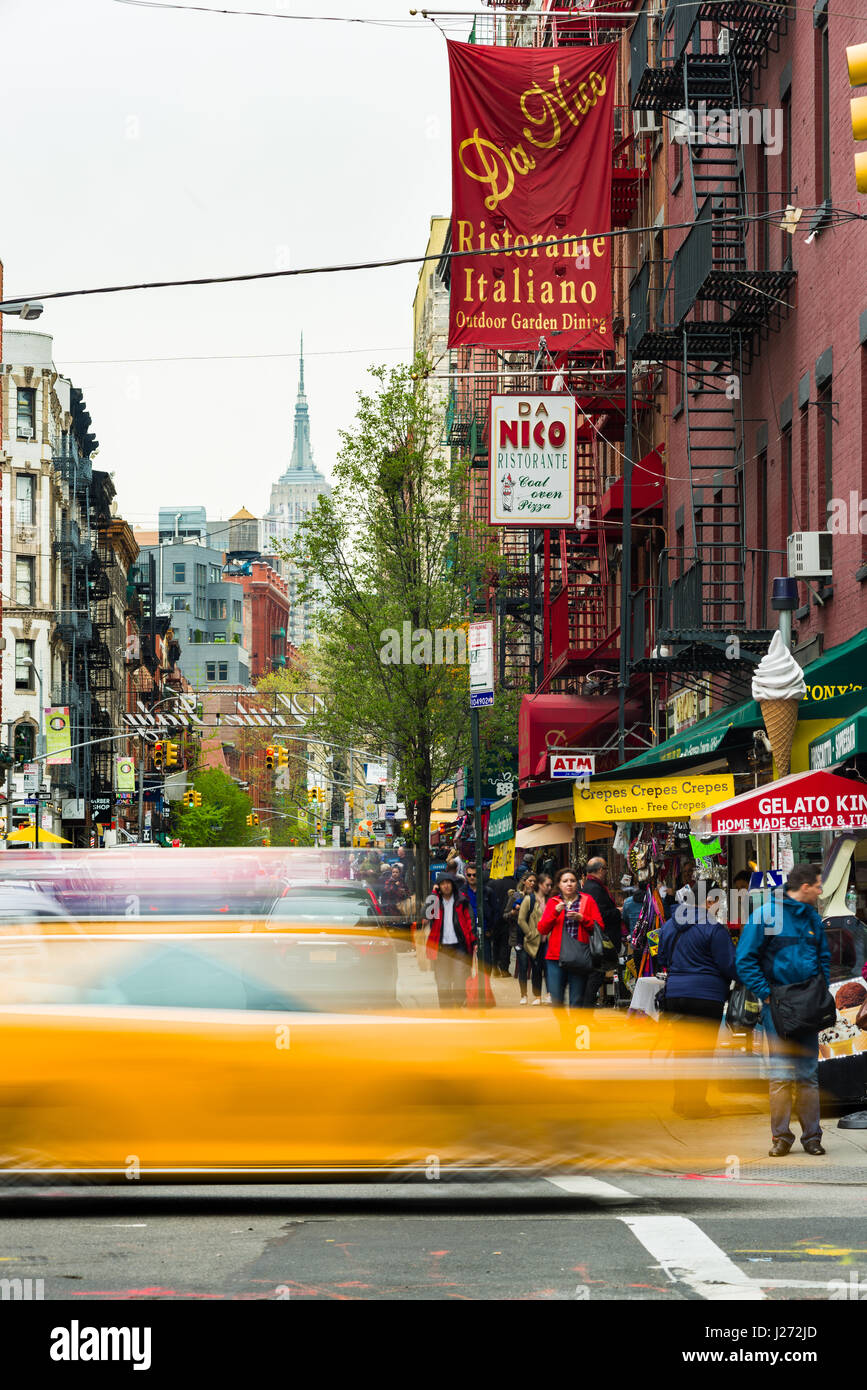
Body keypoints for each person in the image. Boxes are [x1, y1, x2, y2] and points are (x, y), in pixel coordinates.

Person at [735, 863, 829, 1157]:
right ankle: (782, 1138)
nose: (820, 890)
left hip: (806, 1006)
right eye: (817, 884)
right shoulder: (766, 916)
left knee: (808, 1075)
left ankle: (812, 1137)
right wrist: (766, 996)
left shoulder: (813, 918)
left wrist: (819, 992)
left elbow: (823, 956)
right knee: (780, 1076)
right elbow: (745, 961)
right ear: (804, 887)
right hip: (777, 1006)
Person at [657, 880, 736, 1117]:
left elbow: (662, 956)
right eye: (717, 903)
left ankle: (680, 1102)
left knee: (682, 1052)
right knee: (701, 1053)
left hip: (675, 994)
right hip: (705, 996)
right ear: (708, 901)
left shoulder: (670, 925)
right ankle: (696, 1106)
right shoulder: (713, 928)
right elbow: (729, 965)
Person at [538, 867, 604, 1010]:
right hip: (555, 958)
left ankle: (574, 1031)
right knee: (557, 1001)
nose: (569, 884)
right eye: (565, 881)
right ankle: (564, 1029)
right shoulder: (554, 902)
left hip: (579, 957)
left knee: (577, 1001)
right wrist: (555, 913)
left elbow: (600, 927)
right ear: (559, 885)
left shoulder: (588, 901)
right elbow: (542, 929)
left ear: (578, 883)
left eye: (572, 881)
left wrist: (582, 918)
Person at [579, 857, 624, 1008]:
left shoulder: (590, 886)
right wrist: (618, 912)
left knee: (595, 977)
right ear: (599, 870)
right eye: (605, 869)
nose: (606, 872)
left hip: (594, 939)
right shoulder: (594, 888)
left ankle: (586, 1011)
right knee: (595, 977)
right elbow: (601, 915)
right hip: (598, 941)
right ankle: (585, 1012)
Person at [426, 874, 477, 1008]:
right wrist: (433, 894)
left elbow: (470, 921)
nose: (446, 886)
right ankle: (446, 1009)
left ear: (453, 885)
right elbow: (425, 914)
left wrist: (474, 941)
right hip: (441, 948)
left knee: (460, 979)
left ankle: (458, 1004)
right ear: (439, 886)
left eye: (448, 883)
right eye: (442, 884)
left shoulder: (461, 900)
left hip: (459, 946)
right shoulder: (436, 901)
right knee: (443, 982)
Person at [517, 871, 551, 1004]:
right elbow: (521, 920)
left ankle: (549, 994)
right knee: (534, 967)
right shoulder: (528, 899)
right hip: (530, 940)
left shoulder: (550, 900)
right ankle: (534, 996)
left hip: (547, 939)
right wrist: (530, 934)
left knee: (548, 967)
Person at [463, 861, 499, 973]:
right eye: (469, 875)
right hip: (467, 933)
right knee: (466, 965)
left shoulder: (487, 892)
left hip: (484, 932)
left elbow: (496, 911)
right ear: (466, 875)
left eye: (475, 875)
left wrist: (491, 929)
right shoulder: (461, 892)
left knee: (486, 964)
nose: (472, 877)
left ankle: (484, 988)